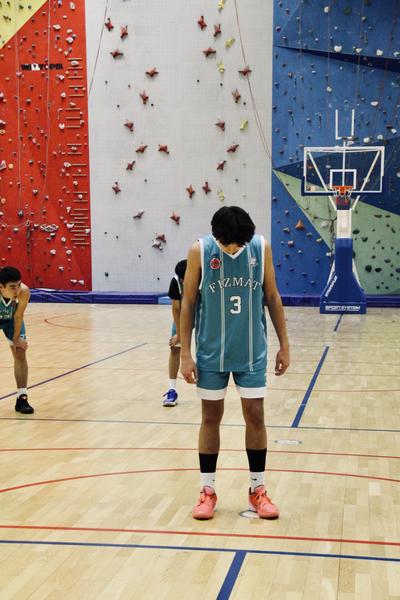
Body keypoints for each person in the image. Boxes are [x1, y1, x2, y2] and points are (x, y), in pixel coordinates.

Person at [180, 206, 289, 519]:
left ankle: (258, 490)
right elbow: (188, 302)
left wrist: (285, 345)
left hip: (251, 351)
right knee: (210, 416)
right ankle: (207, 490)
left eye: (238, 244)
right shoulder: (199, 251)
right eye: (227, 244)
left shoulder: (260, 248)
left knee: (255, 415)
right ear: (216, 236)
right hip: (211, 353)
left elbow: (272, 297)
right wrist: (185, 353)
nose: (232, 249)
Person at [0, 266, 33, 414]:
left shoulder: (24, 292)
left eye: (19, 285)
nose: (17, 290)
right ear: (1, 287)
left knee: (20, 351)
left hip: (11, 319)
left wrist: (16, 340)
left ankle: (22, 398)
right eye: (12, 287)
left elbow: (19, 315)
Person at [162, 259, 187, 407]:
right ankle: (172, 390)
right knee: (175, 348)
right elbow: (176, 308)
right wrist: (179, 334)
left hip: (203, 313)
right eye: (181, 278)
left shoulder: (204, 276)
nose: (183, 281)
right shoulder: (175, 282)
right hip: (183, 314)